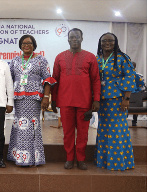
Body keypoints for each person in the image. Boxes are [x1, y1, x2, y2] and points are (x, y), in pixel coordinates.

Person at [52, 28, 101, 170]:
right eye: (72, 37)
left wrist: (96, 99)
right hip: (65, 102)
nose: (74, 39)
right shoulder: (60, 57)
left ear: (82, 38)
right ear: (68, 39)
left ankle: (80, 159)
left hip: (84, 103)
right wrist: (54, 100)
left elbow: (96, 80)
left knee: (83, 133)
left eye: (77, 37)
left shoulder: (90, 57)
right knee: (67, 133)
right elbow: (55, 79)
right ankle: (69, 158)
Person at [7, 35, 56, 167]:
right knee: (19, 125)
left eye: (29, 43)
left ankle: (31, 158)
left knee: (31, 126)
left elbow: (47, 80)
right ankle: (19, 156)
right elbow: (8, 80)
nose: (26, 45)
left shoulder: (41, 60)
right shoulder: (15, 60)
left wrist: (46, 97)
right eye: (23, 43)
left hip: (34, 99)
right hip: (18, 98)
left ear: (34, 45)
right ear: (20, 46)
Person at [95, 32, 139, 171]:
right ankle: (103, 161)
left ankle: (119, 162)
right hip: (102, 99)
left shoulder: (122, 58)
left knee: (117, 129)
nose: (107, 43)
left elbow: (130, 77)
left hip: (117, 99)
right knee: (103, 128)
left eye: (110, 40)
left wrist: (126, 99)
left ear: (116, 42)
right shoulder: (97, 58)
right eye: (104, 41)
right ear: (100, 43)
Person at [130, 61, 146, 126]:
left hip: (134, 93)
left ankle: (133, 119)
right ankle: (134, 120)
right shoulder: (125, 76)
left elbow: (143, 86)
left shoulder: (139, 76)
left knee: (136, 98)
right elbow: (143, 86)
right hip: (133, 94)